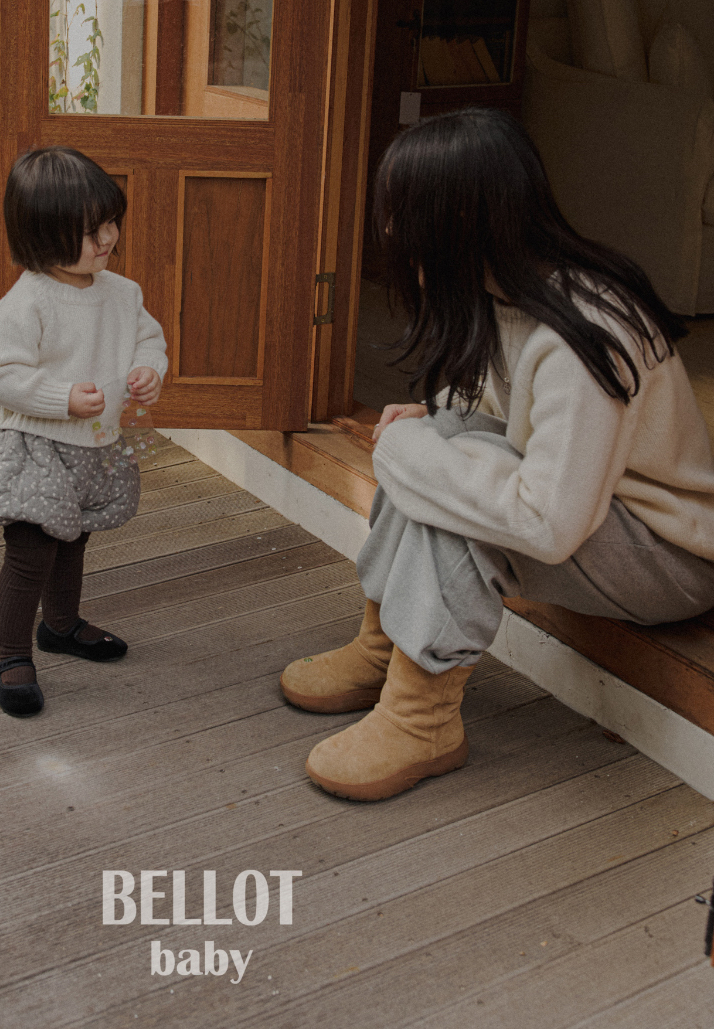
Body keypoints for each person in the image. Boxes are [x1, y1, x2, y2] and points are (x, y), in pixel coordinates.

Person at [280, 107, 714, 801]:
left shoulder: (583, 333)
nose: (389, 231)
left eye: (402, 213)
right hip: (605, 522)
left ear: (457, 221)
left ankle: (422, 718)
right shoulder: (509, 291)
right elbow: (504, 404)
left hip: (668, 557)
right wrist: (434, 418)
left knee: (450, 490)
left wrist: (406, 452)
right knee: (444, 445)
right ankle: (382, 646)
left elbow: (548, 523)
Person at [0, 146, 167, 717]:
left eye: (110, 223)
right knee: (31, 553)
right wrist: (61, 398)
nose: (107, 238)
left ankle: (61, 625)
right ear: (43, 235)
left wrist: (149, 369)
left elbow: (148, 339)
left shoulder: (121, 293)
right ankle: (10, 655)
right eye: (90, 231)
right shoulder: (28, 302)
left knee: (74, 539)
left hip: (91, 447)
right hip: (34, 448)